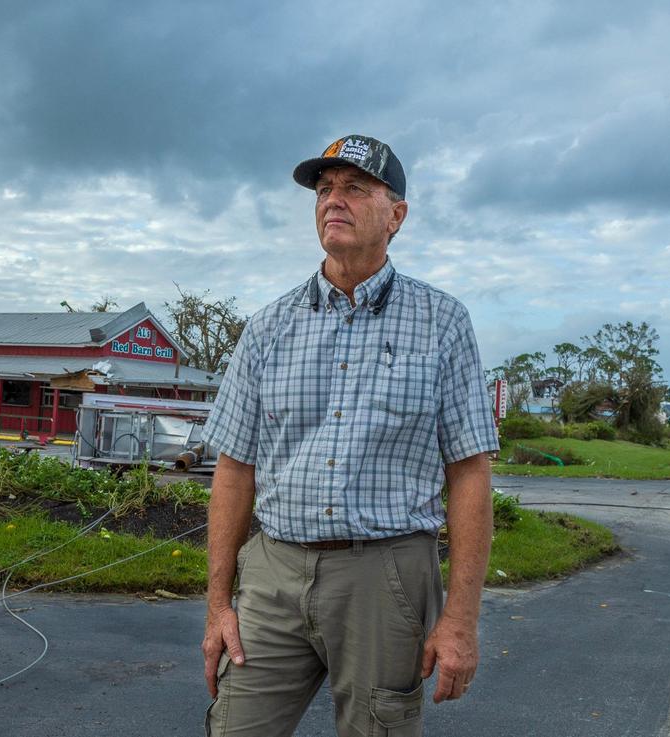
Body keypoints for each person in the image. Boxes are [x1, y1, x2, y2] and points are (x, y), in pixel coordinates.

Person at [201, 134, 499, 737]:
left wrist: (461, 619)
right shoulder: (268, 328)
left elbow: (469, 470)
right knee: (233, 728)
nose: (333, 201)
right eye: (324, 189)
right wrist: (217, 604)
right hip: (273, 574)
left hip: (385, 576)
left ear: (396, 216)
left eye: (355, 189)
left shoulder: (442, 322)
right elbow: (235, 469)